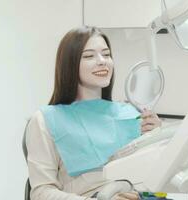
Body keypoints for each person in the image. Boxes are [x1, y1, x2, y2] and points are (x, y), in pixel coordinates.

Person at [26, 26, 162, 200]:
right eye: (89, 56)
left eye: (106, 54)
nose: (102, 61)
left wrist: (158, 138)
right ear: (70, 64)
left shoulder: (130, 113)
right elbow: (40, 193)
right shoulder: (45, 120)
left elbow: (153, 175)